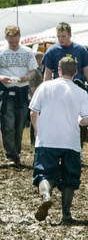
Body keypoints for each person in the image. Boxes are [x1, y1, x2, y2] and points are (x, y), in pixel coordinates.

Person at [29, 55, 88, 223]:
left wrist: (37, 131)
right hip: (70, 142)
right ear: (76, 73)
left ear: (58, 70)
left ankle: (46, 195)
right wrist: (79, 120)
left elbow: (33, 112)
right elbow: (86, 120)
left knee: (44, 173)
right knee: (70, 178)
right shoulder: (81, 92)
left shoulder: (45, 87)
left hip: (47, 139)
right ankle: (66, 214)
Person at [1, 25, 40, 165]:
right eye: (11, 41)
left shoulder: (27, 52)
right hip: (6, 90)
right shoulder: (1, 52)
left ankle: (16, 153)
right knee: (8, 124)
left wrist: (27, 77)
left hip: (22, 91)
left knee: (20, 124)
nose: (14, 44)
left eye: (16, 41)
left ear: (19, 37)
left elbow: (33, 71)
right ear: (6, 38)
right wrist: (1, 78)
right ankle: (10, 155)